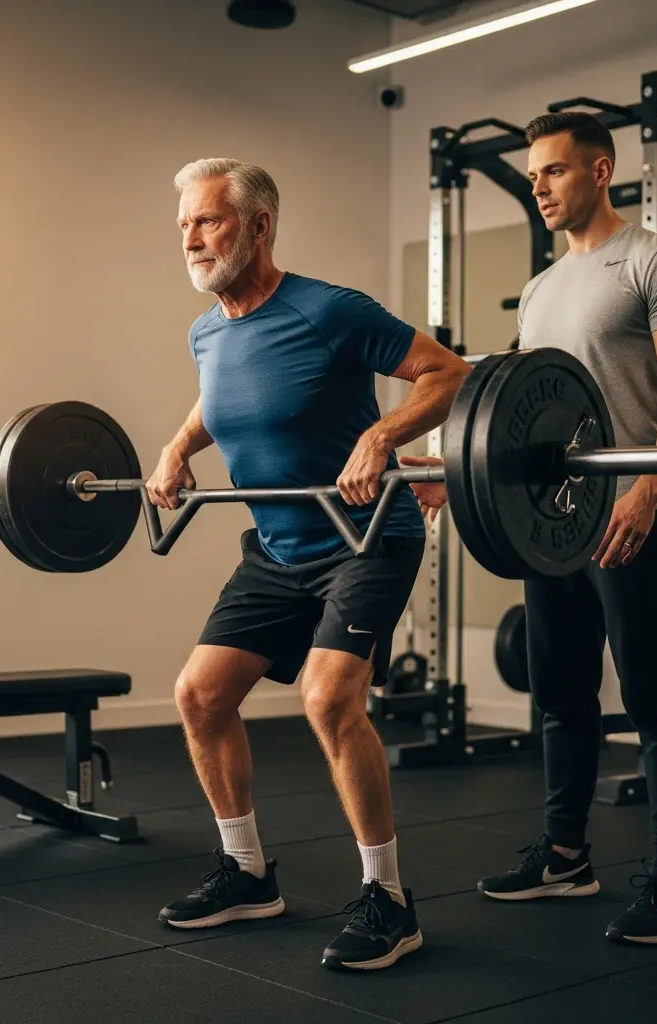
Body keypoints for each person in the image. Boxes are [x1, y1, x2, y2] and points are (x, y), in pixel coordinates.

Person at [403, 112, 657, 946]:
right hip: (552, 525)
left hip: (634, 516)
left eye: (552, 172)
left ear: (601, 170)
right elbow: (518, 413)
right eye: (534, 175)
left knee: (653, 698)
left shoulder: (656, 260)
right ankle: (565, 855)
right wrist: (453, 476)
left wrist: (645, 491)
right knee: (562, 695)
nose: (538, 186)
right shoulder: (542, 288)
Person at [149, 158, 470, 971]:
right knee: (199, 694)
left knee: (330, 701)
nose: (191, 237)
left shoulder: (330, 310)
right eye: (185, 223)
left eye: (209, 221)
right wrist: (179, 446)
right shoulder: (207, 329)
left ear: (260, 226)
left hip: (365, 536)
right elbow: (224, 399)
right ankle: (248, 873)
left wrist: (382, 436)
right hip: (277, 548)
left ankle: (389, 900)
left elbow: (448, 373)